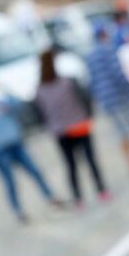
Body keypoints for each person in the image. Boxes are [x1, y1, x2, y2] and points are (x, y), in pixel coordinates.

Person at [0, 80, 61, 223]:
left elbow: (18, 104)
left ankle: (51, 198)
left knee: (35, 171)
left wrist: (4, 88)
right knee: (10, 182)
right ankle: (18, 212)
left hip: (16, 144)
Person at [34, 50, 110, 208]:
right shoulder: (68, 81)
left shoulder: (40, 90)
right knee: (90, 160)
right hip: (79, 125)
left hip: (60, 131)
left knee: (71, 166)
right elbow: (84, 98)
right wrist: (87, 115)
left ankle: (78, 199)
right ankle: (101, 190)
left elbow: (39, 114)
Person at [86, 23, 129, 176]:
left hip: (107, 101)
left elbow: (91, 81)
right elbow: (117, 73)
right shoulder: (109, 49)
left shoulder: (90, 56)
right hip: (120, 96)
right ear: (104, 34)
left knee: (121, 133)